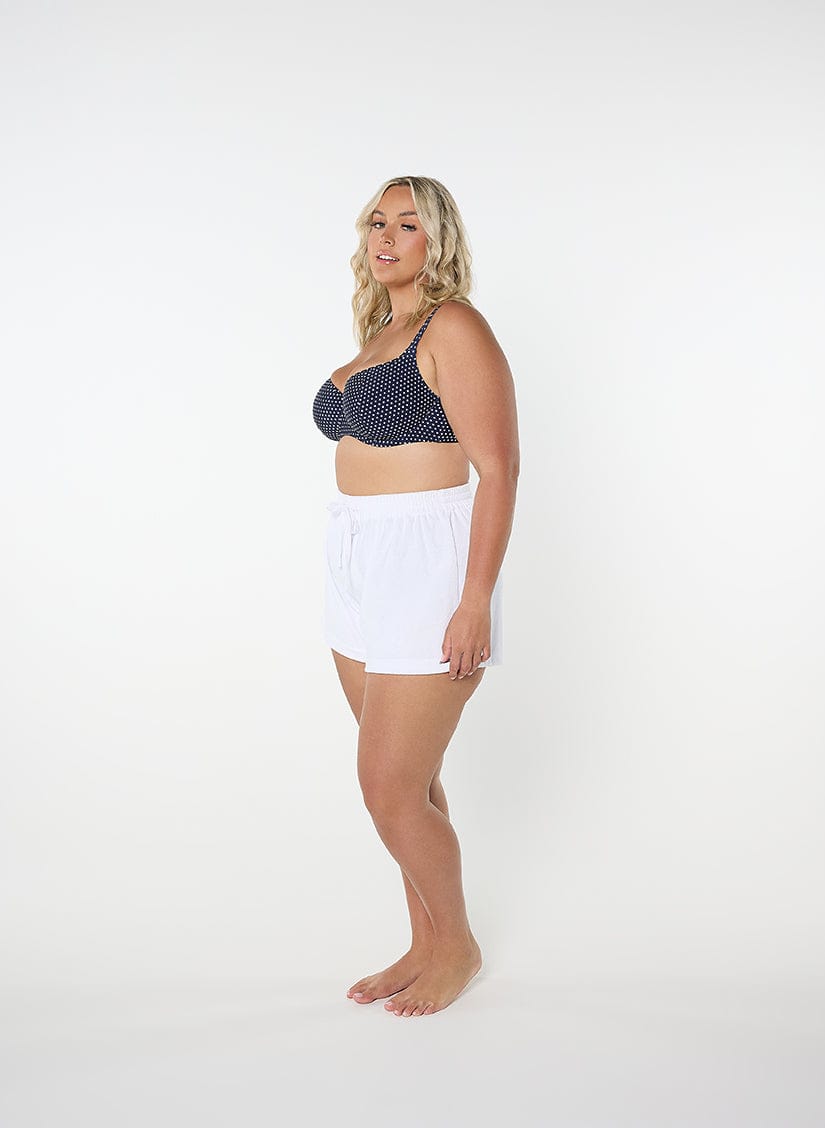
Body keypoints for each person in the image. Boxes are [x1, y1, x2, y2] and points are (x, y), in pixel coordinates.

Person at [312, 175, 520, 1017]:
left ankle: (458, 944)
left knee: (388, 786)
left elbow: (500, 468)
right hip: (356, 557)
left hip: (426, 561)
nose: (386, 236)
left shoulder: (454, 325)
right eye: (376, 222)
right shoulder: (380, 329)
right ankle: (425, 941)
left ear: (437, 240)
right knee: (413, 778)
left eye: (407, 224)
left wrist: (474, 599)